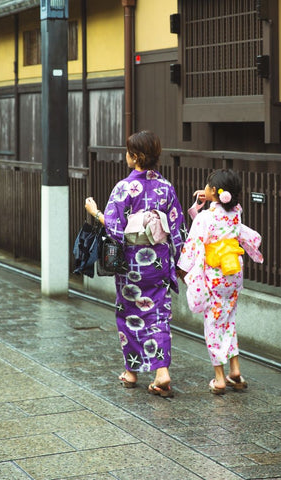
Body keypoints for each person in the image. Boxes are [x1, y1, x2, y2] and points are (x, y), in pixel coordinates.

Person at [85, 130, 186, 397]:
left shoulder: (123, 188)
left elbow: (115, 230)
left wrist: (94, 212)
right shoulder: (166, 188)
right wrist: (179, 263)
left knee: (130, 314)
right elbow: (177, 229)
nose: (126, 156)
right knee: (159, 316)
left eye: (128, 152)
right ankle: (161, 372)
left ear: (136, 157)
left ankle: (132, 372)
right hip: (160, 263)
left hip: (132, 266)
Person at [177, 169, 263, 395]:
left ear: (214, 191)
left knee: (214, 324)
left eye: (207, 186)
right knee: (228, 319)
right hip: (233, 273)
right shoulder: (236, 213)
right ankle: (235, 369)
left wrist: (182, 269)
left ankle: (219, 378)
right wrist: (204, 202)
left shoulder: (206, 217)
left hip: (214, 276)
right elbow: (221, 215)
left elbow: (195, 242)